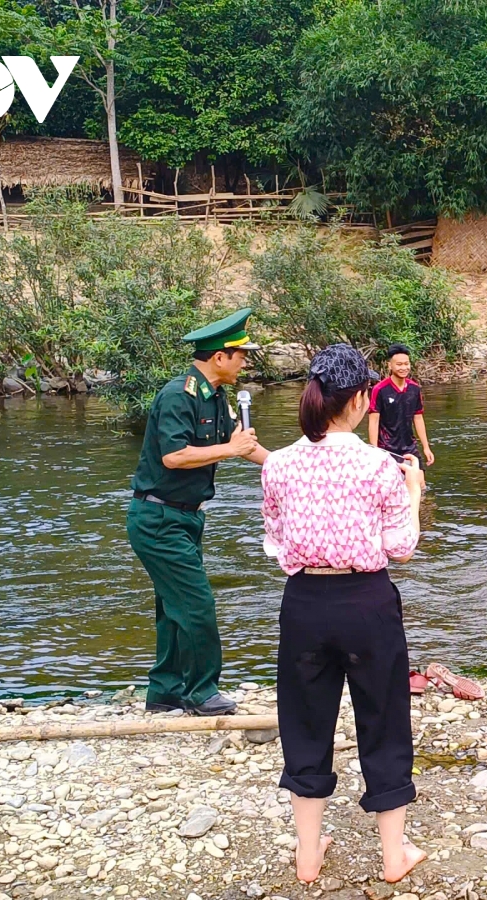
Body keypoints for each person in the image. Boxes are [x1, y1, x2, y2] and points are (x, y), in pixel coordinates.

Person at [260, 343, 427, 885]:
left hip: (304, 602)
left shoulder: (278, 465)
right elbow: (400, 546)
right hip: (367, 602)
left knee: (305, 722)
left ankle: (308, 856)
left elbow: (275, 542)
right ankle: (393, 856)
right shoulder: (379, 465)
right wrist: (415, 492)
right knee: (383, 718)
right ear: (359, 400)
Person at [127, 307, 267, 716]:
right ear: (219, 357)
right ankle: (203, 692)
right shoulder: (177, 395)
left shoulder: (215, 395)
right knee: (197, 604)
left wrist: (287, 464)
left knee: (173, 608)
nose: (245, 361)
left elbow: (240, 443)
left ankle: (166, 692)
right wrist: (231, 449)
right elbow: (174, 456)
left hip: (186, 517)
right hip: (158, 518)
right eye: (240, 355)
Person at [368, 344, 434, 466]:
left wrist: (426, 447)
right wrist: (374, 450)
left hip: (410, 447)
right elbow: (374, 421)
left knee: (420, 484)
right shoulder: (380, 389)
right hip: (386, 448)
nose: (404, 367)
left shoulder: (414, 389)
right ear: (390, 365)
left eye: (406, 364)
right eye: (399, 364)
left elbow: (418, 418)